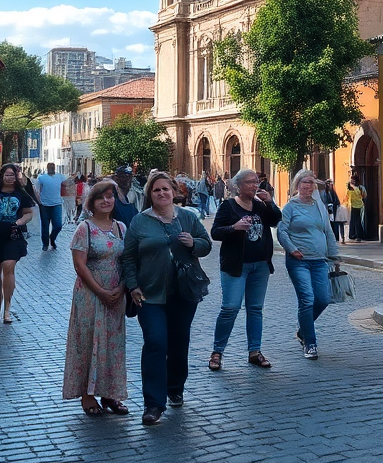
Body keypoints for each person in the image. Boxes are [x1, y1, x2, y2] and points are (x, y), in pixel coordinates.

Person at [122, 171, 212, 426]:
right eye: (156, 190)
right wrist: (133, 286)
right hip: (149, 294)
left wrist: (192, 242)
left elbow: (206, 245)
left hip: (184, 293)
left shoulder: (187, 217)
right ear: (150, 195)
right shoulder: (140, 222)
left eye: (165, 189)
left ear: (174, 191)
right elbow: (128, 257)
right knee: (155, 342)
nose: (162, 193)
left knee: (179, 341)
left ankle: (175, 387)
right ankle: (153, 404)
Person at [63, 180, 130, 417]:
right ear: (92, 202)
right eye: (101, 197)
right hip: (90, 295)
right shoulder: (85, 228)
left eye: (110, 196)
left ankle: (110, 393)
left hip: (116, 294)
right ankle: (87, 395)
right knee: (88, 342)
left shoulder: (121, 227)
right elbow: (79, 265)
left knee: (112, 345)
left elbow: (127, 262)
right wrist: (100, 292)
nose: (106, 201)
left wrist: (121, 288)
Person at [208, 169, 281, 371]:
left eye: (256, 182)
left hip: (260, 266)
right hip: (235, 266)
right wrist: (234, 227)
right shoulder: (228, 206)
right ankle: (217, 352)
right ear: (238, 186)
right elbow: (215, 232)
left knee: (255, 309)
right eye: (249, 182)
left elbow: (275, 219)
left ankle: (254, 352)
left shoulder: (260, 206)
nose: (254, 185)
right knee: (230, 308)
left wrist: (270, 201)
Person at [277, 169, 342, 360]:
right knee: (307, 299)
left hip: (319, 260)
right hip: (298, 261)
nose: (308, 186)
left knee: (322, 299)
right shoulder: (290, 207)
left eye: (312, 182)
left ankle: (302, 329)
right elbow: (282, 232)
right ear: (297, 185)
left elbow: (328, 232)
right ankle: (310, 343)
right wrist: (291, 248)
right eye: (305, 182)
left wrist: (334, 255)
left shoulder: (319, 206)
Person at [0, 163, 35, 324]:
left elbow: (29, 212)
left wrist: (21, 221)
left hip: (12, 237)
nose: (9, 178)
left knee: (8, 267)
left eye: (12, 175)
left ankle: (7, 309)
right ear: (2, 176)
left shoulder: (21, 193)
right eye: (7, 175)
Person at [35, 163, 66, 251]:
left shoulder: (61, 177)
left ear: (55, 168)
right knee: (45, 225)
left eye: (53, 167)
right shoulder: (41, 178)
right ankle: (45, 244)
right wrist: (39, 202)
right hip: (44, 205)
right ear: (47, 168)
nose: (51, 169)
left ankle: (52, 239)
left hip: (57, 204)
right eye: (50, 167)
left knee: (58, 225)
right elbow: (37, 190)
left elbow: (66, 186)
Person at [346, 173, 367, 243]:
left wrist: (353, 187)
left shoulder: (360, 188)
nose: (351, 182)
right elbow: (347, 196)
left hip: (359, 206)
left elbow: (363, 195)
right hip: (352, 206)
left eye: (353, 181)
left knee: (359, 221)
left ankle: (359, 236)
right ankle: (352, 235)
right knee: (352, 221)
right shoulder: (349, 188)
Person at [330, 180, 350, 244]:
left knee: (340, 224)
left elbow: (338, 201)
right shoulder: (328, 192)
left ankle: (342, 238)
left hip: (335, 211)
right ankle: (339, 238)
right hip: (332, 210)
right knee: (337, 225)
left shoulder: (332, 193)